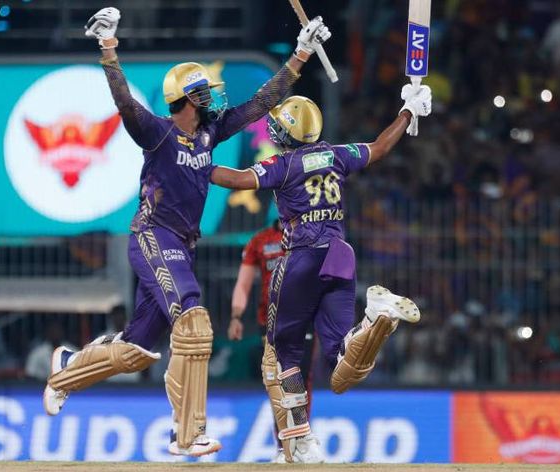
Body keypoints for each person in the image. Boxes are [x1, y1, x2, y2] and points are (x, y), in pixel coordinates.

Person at [42, 6, 332, 458]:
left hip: (181, 245)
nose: (212, 100)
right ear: (186, 99)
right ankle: (187, 434)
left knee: (136, 350)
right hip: (153, 236)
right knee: (194, 323)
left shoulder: (208, 134)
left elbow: (260, 102)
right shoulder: (156, 132)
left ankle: (66, 369)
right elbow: (124, 103)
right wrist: (108, 46)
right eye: (203, 94)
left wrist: (301, 53)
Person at [209, 85, 432, 462]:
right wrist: (408, 112)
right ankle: (373, 320)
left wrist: (192, 161)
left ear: (288, 133)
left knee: (283, 351)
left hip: (302, 257)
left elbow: (235, 180)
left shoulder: (284, 165)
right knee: (341, 365)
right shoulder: (336, 154)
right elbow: (379, 147)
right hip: (341, 255)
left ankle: (302, 441)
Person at [227, 219, 315, 461]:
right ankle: (284, 447)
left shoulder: (310, 235)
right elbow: (243, 284)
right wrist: (236, 316)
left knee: (300, 381)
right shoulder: (260, 241)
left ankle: (303, 443)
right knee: (276, 384)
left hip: (302, 319)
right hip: (270, 322)